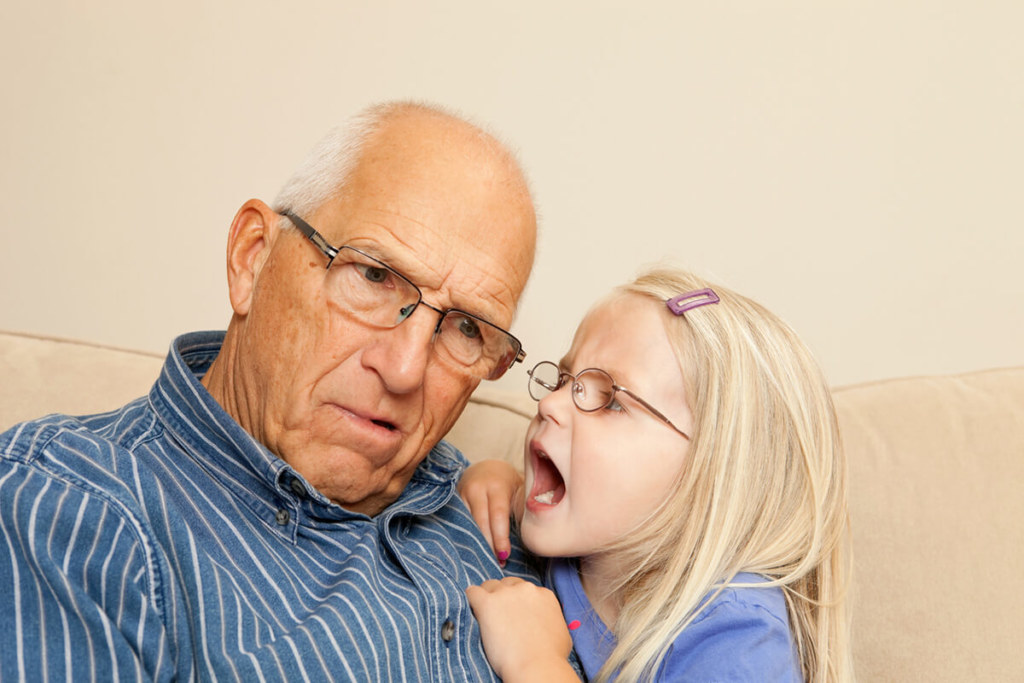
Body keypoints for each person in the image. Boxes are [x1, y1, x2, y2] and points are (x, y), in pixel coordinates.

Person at [0, 101, 543, 681]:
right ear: (252, 259)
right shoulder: (71, 508)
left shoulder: (500, 516)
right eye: (374, 275)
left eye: (466, 328)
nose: (406, 369)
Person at [462, 268, 854, 682]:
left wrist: (535, 664)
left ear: (713, 475)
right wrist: (494, 479)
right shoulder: (573, 545)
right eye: (564, 380)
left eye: (610, 400)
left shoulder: (736, 634)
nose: (551, 405)